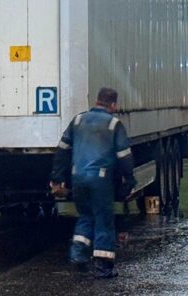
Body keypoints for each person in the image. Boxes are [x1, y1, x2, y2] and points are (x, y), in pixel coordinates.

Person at [50, 87, 136, 278]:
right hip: (101, 179)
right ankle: (103, 266)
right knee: (103, 219)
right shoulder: (114, 124)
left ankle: (79, 256)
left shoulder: (78, 120)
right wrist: (128, 182)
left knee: (85, 216)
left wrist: (57, 179)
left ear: (97, 101)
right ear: (113, 104)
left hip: (77, 177)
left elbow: (62, 151)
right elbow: (124, 157)